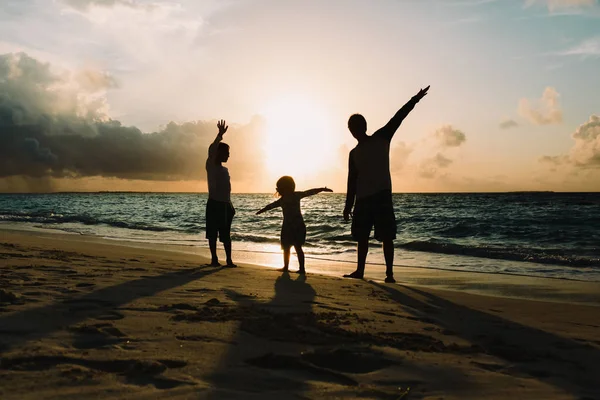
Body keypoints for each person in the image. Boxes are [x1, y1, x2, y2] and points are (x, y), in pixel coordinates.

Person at [343, 85, 430, 283]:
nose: (354, 131)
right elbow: (351, 181)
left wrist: (415, 99)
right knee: (363, 237)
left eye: (355, 127)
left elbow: (399, 116)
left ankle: (389, 273)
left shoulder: (382, 137)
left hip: (380, 195)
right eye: (352, 128)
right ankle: (361, 271)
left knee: (386, 236)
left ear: (363, 126)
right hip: (365, 199)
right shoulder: (353, 153)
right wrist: (348, 205)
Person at [257, 176, 332, 274]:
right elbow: (270, 206)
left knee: (296, 247)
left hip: (296, 226)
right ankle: (287, 267)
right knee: (287, 248)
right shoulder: (283, 200)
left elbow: (310, 192)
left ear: (286, 188)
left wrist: (321, 189)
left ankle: (301, 268)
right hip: (289, 226)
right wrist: (261, 210)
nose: (278, 190)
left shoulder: (295, 196)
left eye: (279, 188)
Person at [205, 119, 236, 267]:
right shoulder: (211, 165)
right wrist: (219, 135)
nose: (228, 156)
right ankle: (214, 259)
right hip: (214, 204)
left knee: (226, 234)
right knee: (212, 234)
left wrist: (230, 205)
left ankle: (229, 260)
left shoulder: (225, 170)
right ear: (220, 153)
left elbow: (227, 190)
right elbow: (212, 150)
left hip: (225, 205)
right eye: (227, 153)